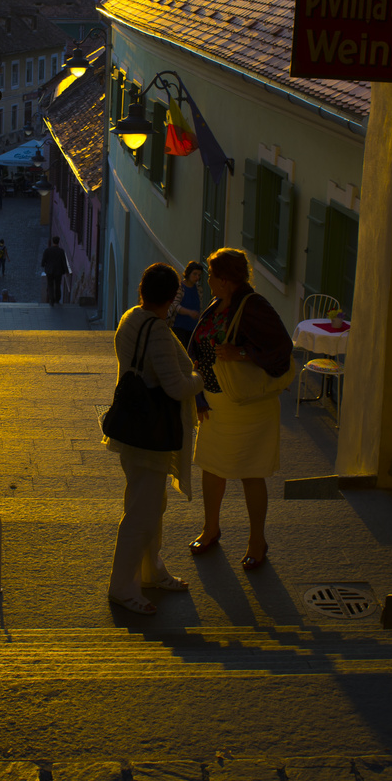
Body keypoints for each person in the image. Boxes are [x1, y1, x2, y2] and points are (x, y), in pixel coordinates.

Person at [106, 263, 204, 616]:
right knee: (141, 513)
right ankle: (123, 588)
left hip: (132, 428)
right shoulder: (160, 332)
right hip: (151, 434)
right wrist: (199, 379)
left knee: (150, 507)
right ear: (170, 297)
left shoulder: (130, 318)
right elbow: (177, 386)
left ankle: (152, 572)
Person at [187, 248, 293, 570]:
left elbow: (281, 348)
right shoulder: (218, 304)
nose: (207, 281)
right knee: (211, 467)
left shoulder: (254, 306)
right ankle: (211, 528)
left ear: (226, 280)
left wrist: (243, 353)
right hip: (216, 404)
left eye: (211, 276)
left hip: (248, 407)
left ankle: (256, 540)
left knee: (250, 473)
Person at [170, 261, 204, 349]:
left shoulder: (199, 289)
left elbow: (199, 307)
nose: (197, 277)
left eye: (199, 275)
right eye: (195, 274)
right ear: (188, 273)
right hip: (179, 327)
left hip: (193, 328)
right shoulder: (180, 287)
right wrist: (189, 312)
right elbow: (175, 305)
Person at [41, 236, 68, 305]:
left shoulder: (47, 250)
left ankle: (51, 299)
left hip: (49, 271)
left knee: (50, 285)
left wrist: (44, 265)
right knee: (58, 285)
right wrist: (66, 271)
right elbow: (64, 262)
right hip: (58, 271)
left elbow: (43, 261)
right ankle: (57, 299)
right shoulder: (61, 251)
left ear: (53, 241)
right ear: (58, 242)